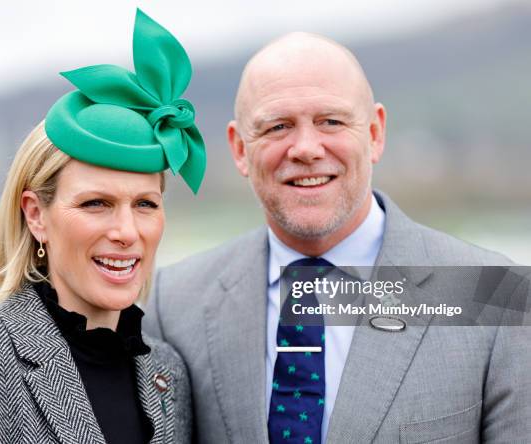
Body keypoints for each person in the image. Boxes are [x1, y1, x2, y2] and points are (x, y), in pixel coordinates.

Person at [144, 32, 531, 443]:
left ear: (375, 133)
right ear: (240, 148)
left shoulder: (494, 296)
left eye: (331, 121)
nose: (306, 149)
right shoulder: (174, 303)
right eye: (278, 127)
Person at [0, 9, 204, 444]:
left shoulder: (169, 376)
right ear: (35, 215)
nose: (127, 231)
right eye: (96, 203)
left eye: (145, 204)